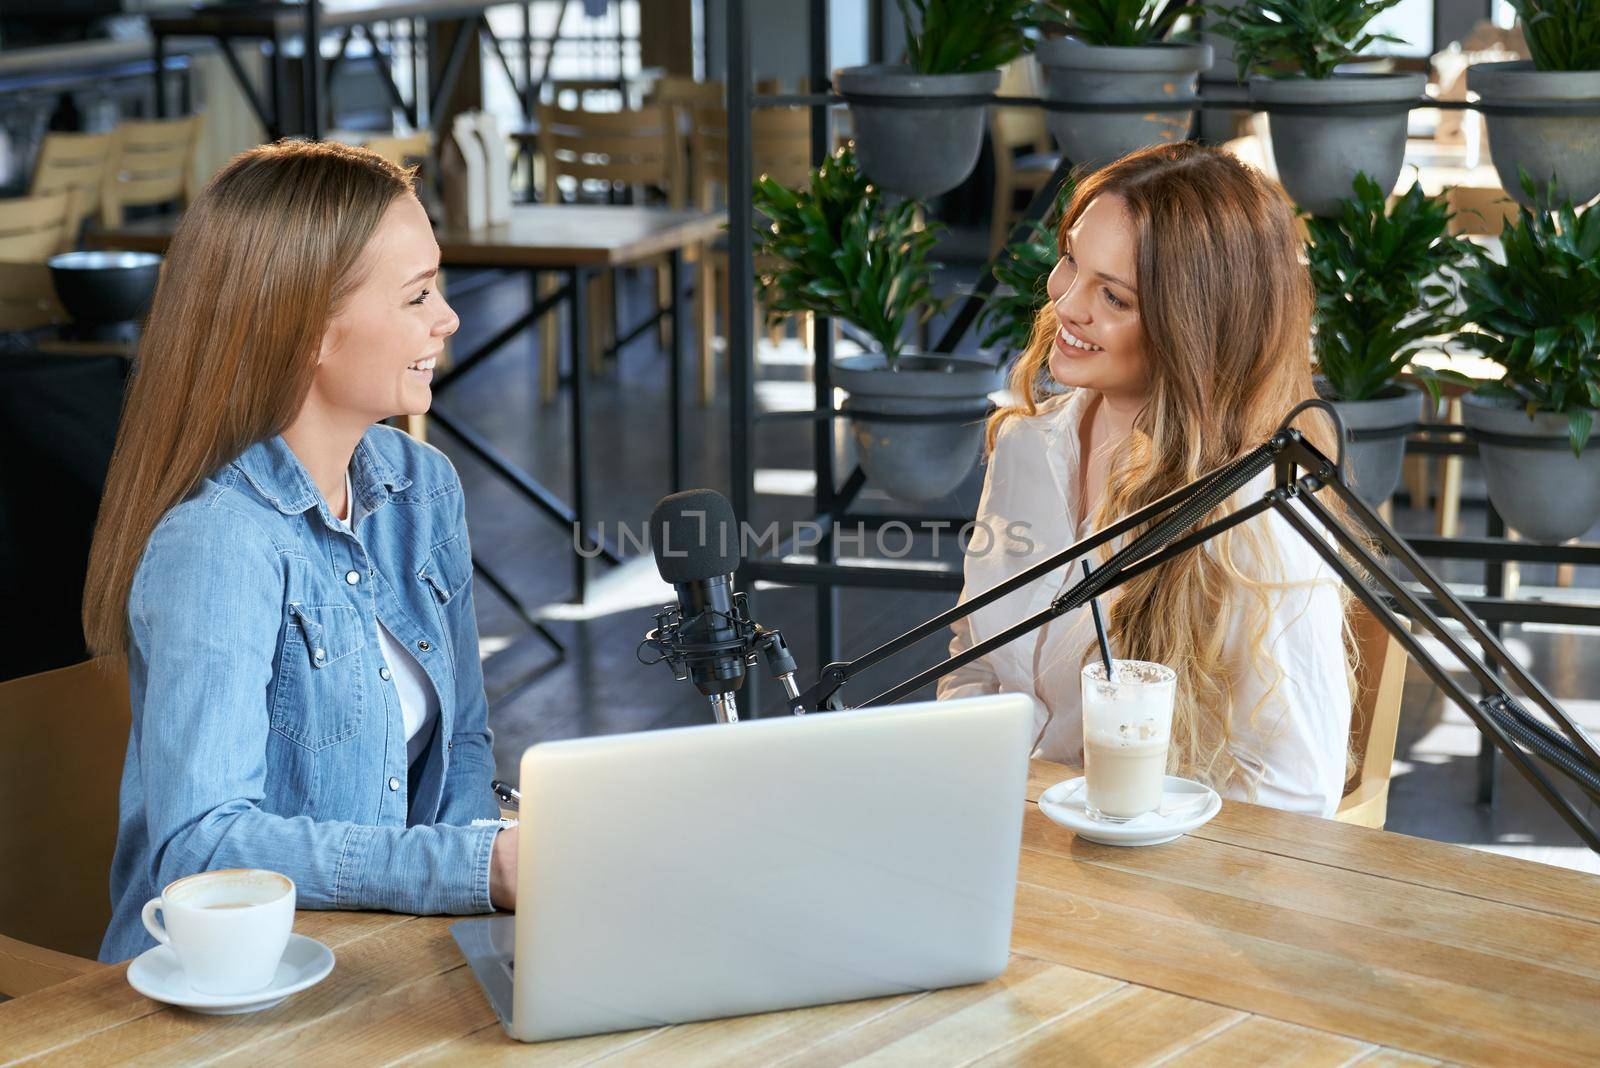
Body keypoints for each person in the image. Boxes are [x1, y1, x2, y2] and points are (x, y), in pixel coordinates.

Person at [83, 140, 518, 962]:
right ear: (310, 331)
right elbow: (201, 849)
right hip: (226, 998)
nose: (449, 317)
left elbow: (463, 746)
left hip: (378, 966)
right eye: (418, 294)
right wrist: (477, 867)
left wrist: (479, 902)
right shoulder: (218, 544)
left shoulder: (422, 490)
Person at [938, 141, 1355, 816]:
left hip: (1159, 878)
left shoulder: (1253, 506)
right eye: (1072, 260)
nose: (1068, 304)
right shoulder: (1025, 448)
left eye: (1114, 296)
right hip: (1008, 830)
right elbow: (976, 661)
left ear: (1191, 329)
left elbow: (1297, 791)